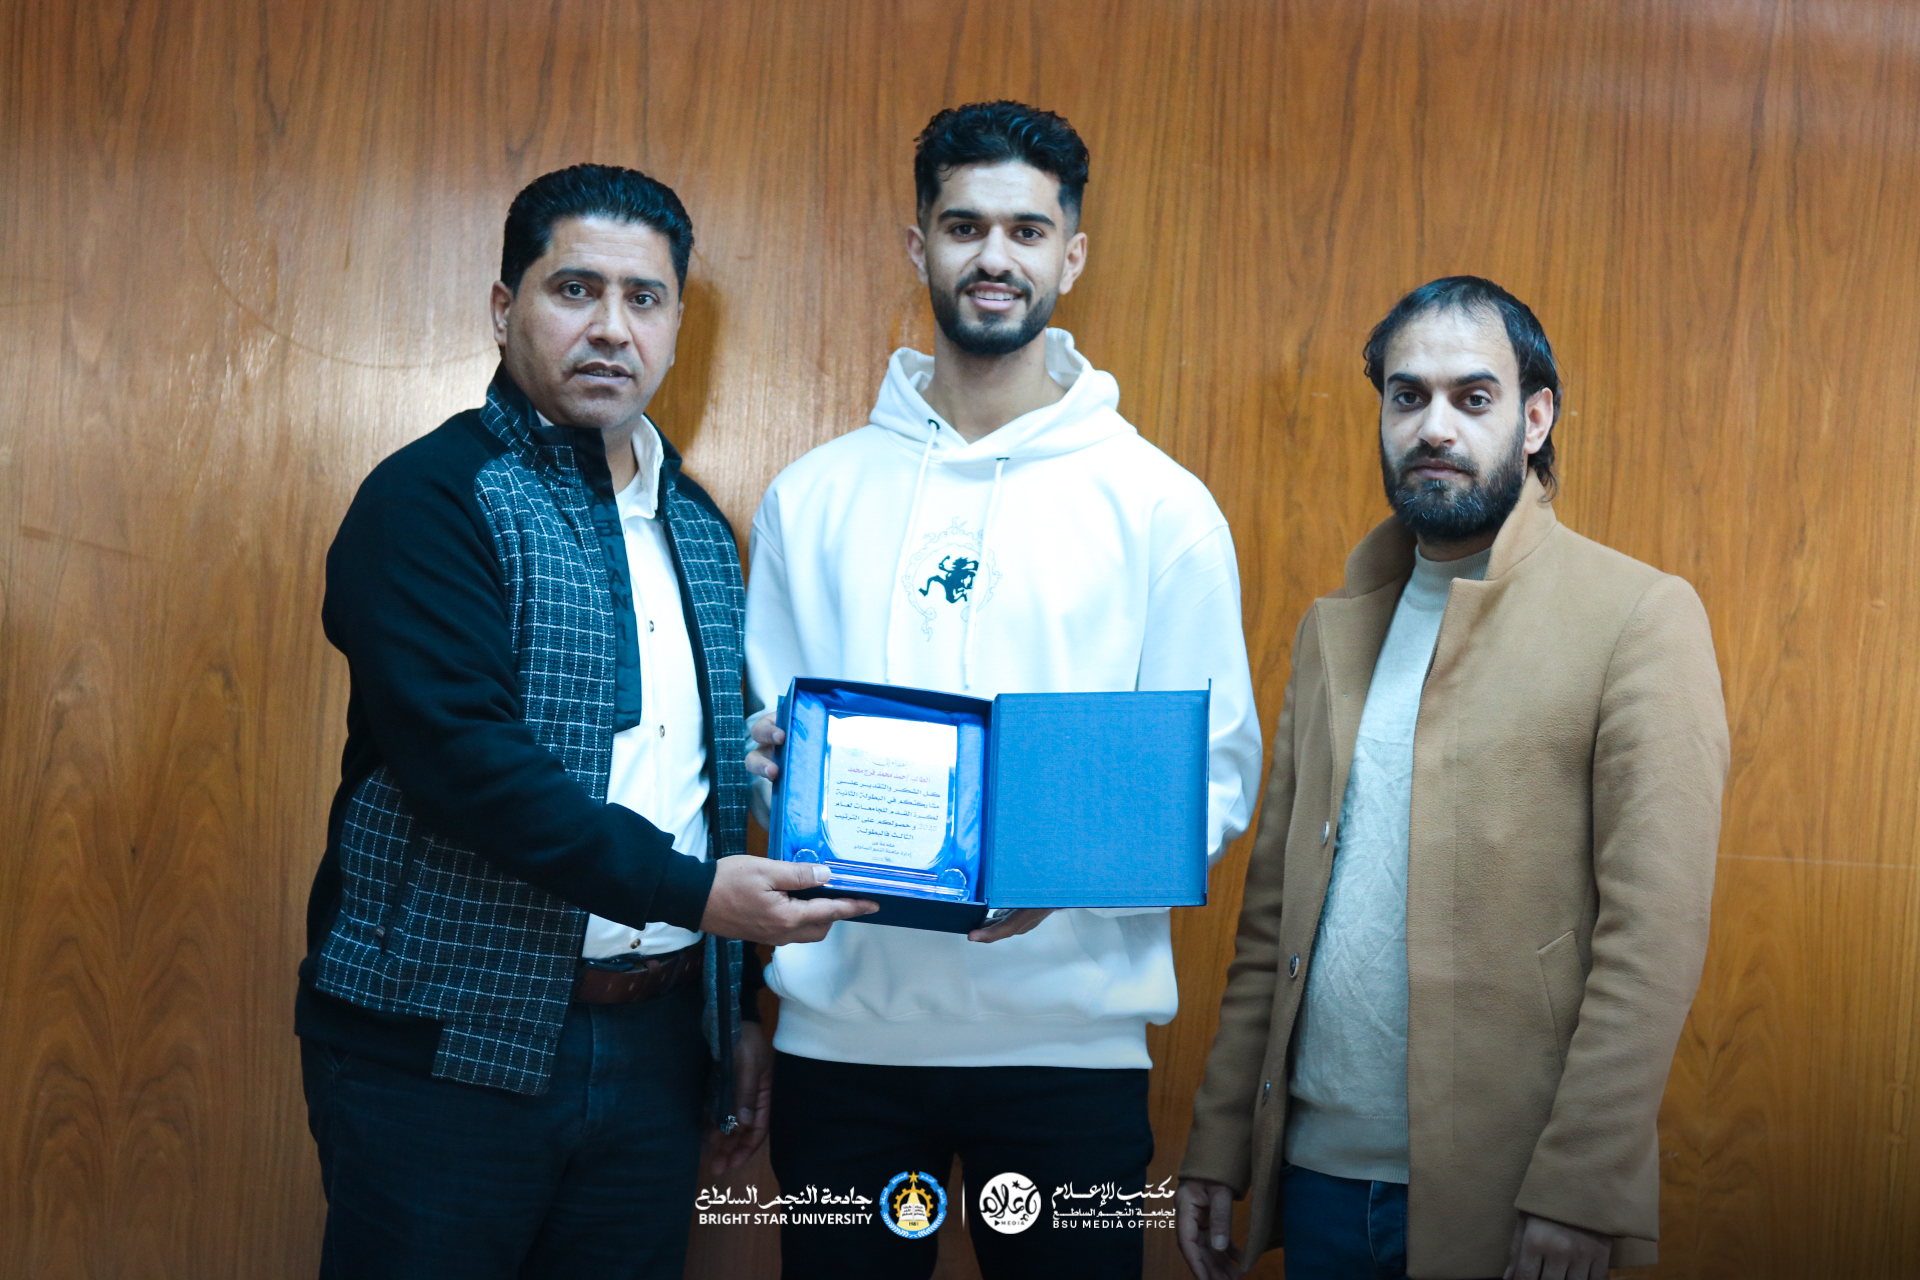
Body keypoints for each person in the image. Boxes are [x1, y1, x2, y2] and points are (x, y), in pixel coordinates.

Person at [295, 163, 874, 1280]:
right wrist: (696, 893)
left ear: (676, 327)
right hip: (444, 1052)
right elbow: (469, 767)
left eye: (643, 298)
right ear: (503, 307)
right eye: (575, 290)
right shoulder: (430, 499)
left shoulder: (697, 526)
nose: (612, 328)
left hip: (656, 1052)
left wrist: (736, 1010)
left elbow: (695, 786)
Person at [743, 101, 1264, 1280]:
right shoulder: (810, 497)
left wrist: (1061, 866)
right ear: (917, 243)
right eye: (964, 224)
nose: (995, 255)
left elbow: (1213, 775)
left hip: (1067, 1055)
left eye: (1027, 230)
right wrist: (776, 766)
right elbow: (766, 749)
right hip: (845, 1049)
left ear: (1070, 256)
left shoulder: (1160, 506)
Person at [1175, 277, 1729, 1280]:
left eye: (1473, 397)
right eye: (1408, 396)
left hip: (1507, 1195)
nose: (1434, 426)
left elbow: (1653, 940)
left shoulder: (1638, 616)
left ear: (1535, 418)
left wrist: (1582, 1182)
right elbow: (1270, 923)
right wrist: (1220, 1139)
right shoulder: (1334, 629)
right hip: (1314, 1179)